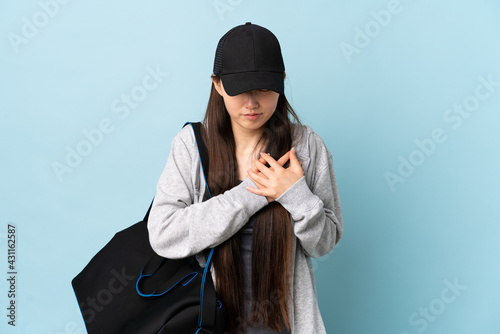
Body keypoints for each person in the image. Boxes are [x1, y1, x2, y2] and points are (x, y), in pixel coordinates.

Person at [147, 22, 343, 334]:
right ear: (218, 84)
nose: (251, 103)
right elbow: (163, 234)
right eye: (239, 90)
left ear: (280, 82)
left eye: (264, 89)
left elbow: (325, 242)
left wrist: (296, 195)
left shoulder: (306, 147)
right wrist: (255, 193)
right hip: (211, 324)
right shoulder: (192, 145)